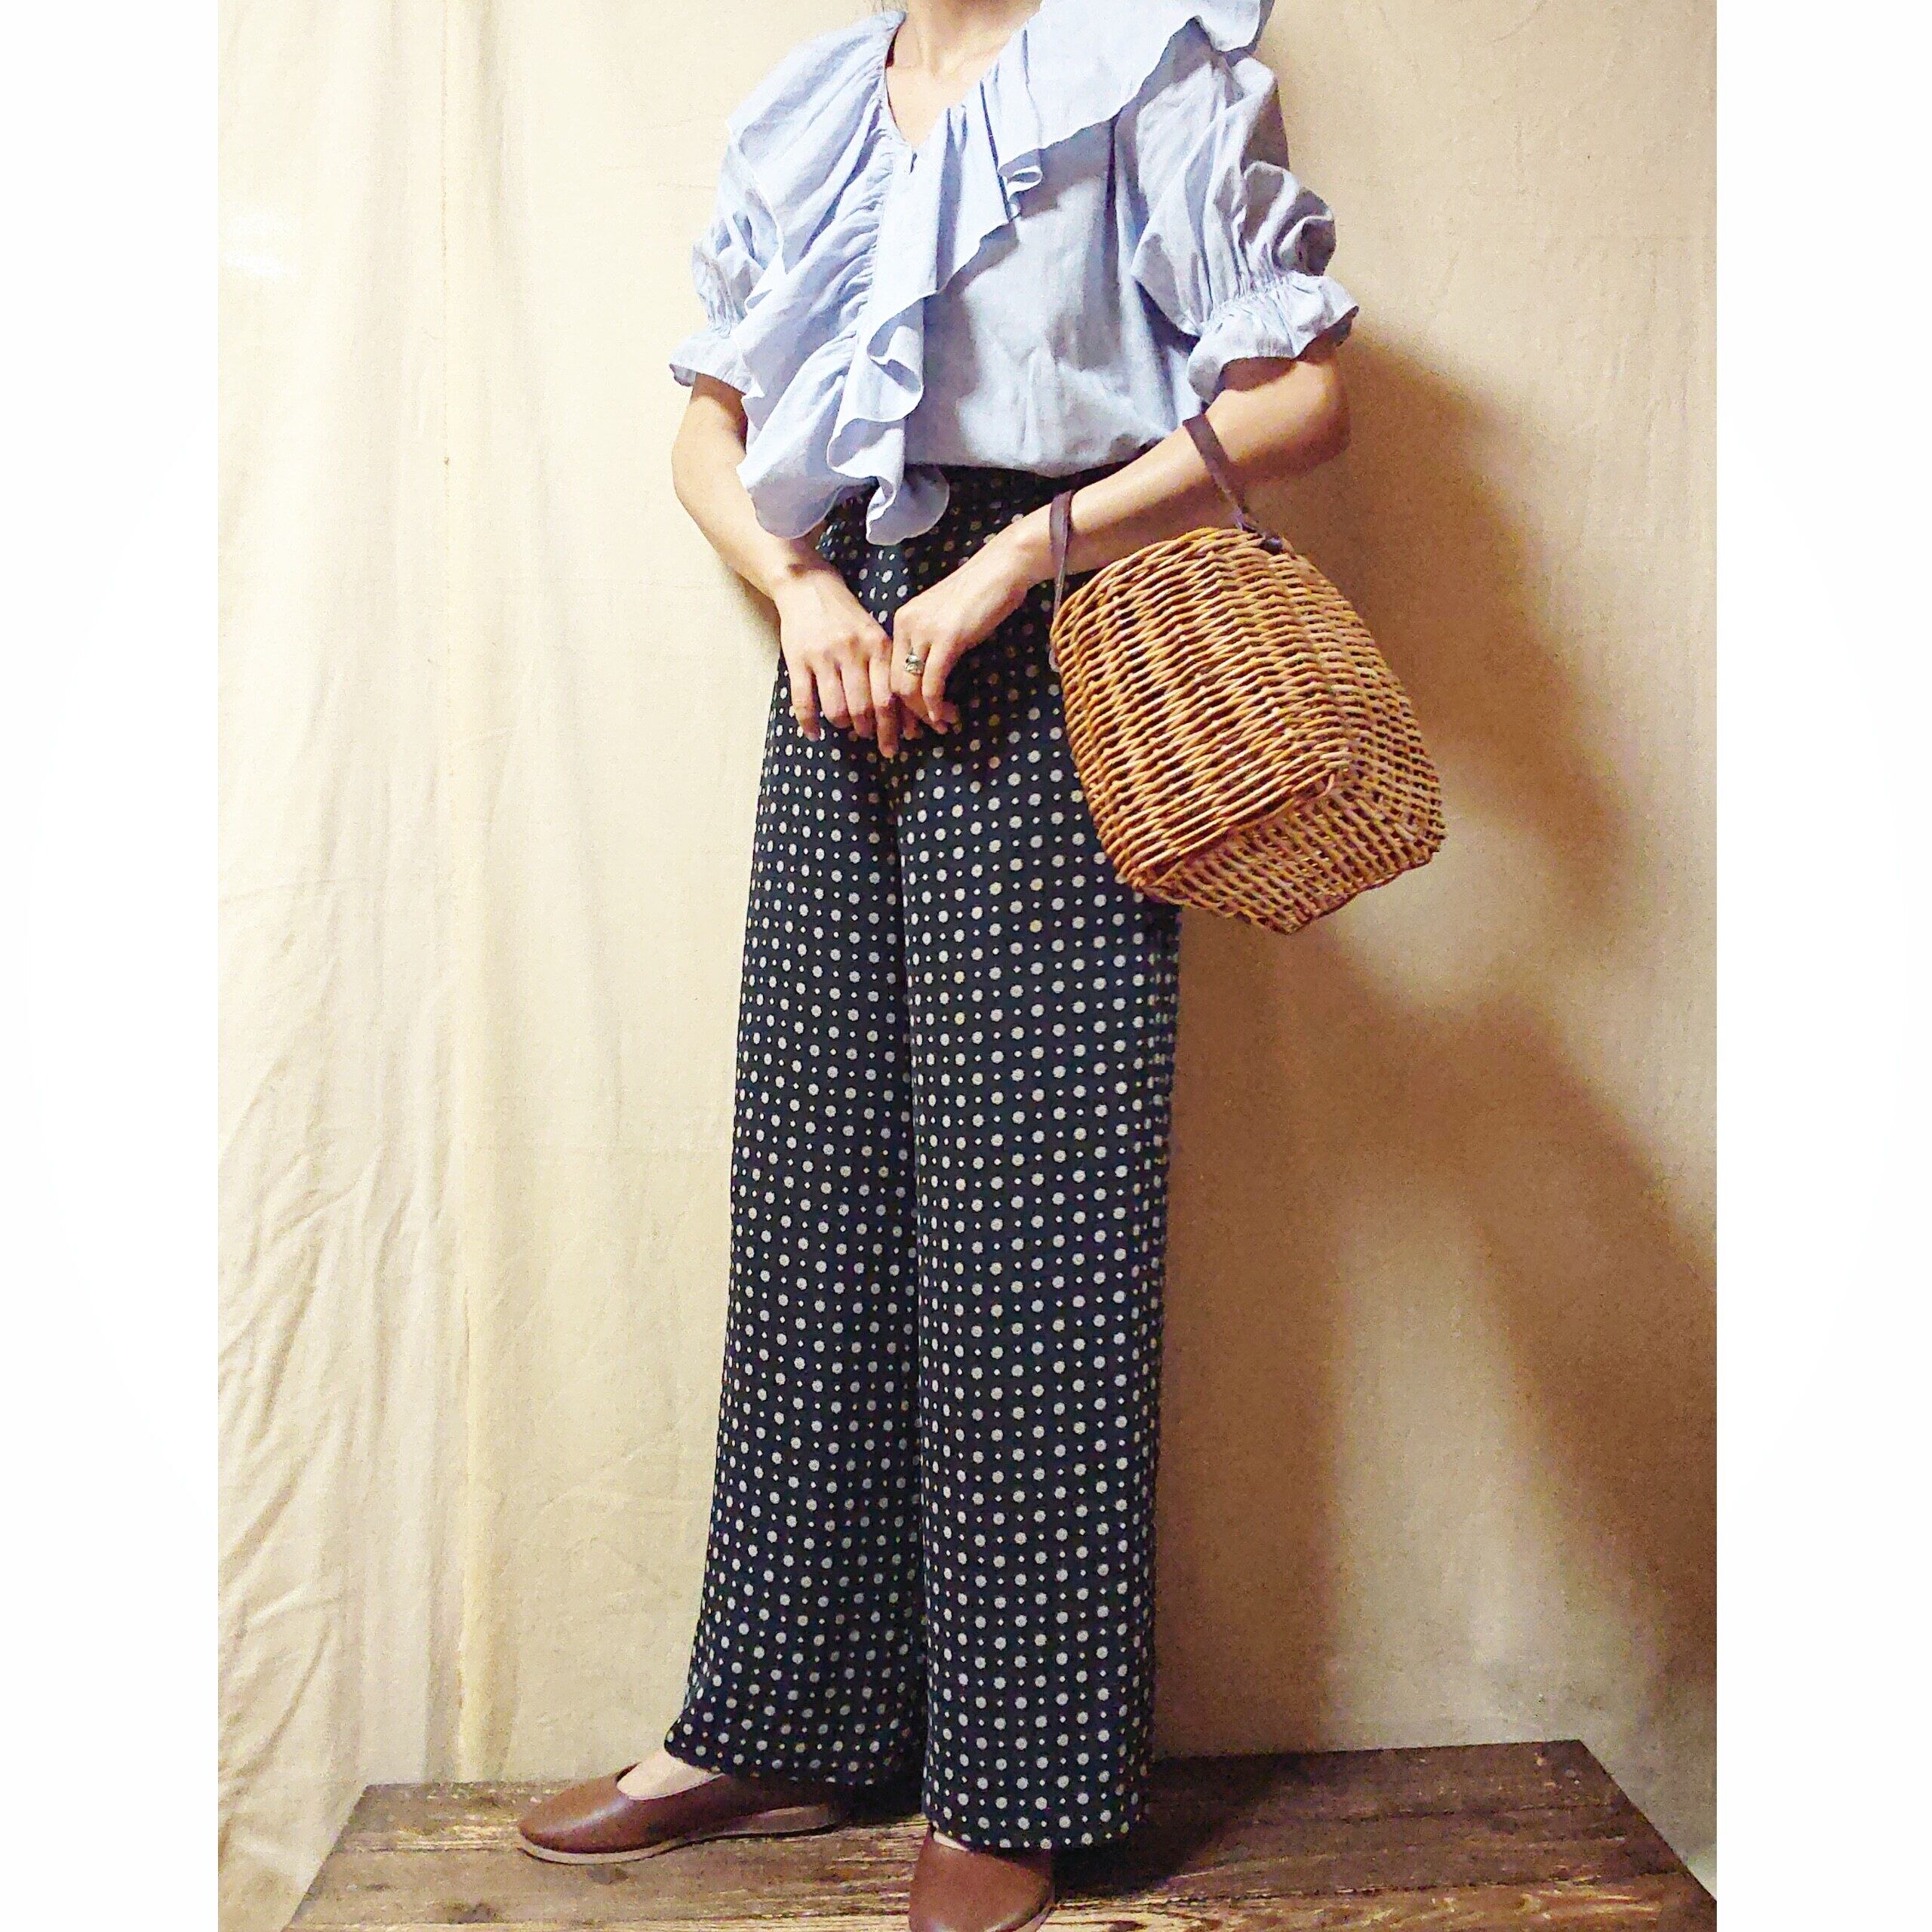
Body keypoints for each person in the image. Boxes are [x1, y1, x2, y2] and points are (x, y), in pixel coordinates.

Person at [517, 4, 1355, 1927]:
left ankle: (1019, 1766)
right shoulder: (812, 104)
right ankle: (782, 1715)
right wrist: (800, 582)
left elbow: (1301, 398)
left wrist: (1012, 562)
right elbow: (708, 435)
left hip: (1053, 640)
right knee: (813, 1195)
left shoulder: (1147, 66)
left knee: (1030, 1217)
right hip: (839, 659)